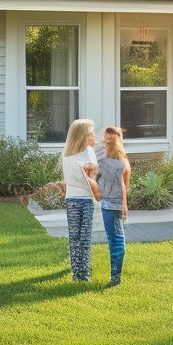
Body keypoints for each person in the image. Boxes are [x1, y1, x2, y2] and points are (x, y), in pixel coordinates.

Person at [62, 118, 99, 281]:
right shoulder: (68, 154)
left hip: (86, 199)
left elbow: (93, 176)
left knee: (84, 238)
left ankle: (84, 274)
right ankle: (77, 273)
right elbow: (73, 177)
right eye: (91, 134)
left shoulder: (89, 151)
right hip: (72, 199)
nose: (93, 137)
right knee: (74, 237)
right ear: (82, 135)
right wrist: (85, 174)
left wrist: (88, 174)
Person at [97, 126, 131, 288]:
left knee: (116, 241)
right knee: (116, 239)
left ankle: (116, 278)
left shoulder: (117, 161)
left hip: (112, 206)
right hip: (111, 205)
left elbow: (122, 185)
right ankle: (115, 276)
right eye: (105, 140)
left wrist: (123, 206)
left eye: (108, 140)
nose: (105, 143)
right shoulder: (118, 159)